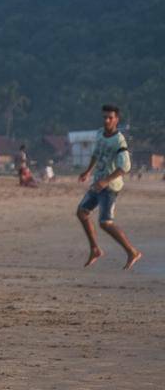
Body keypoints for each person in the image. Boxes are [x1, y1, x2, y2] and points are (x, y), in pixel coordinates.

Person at [75, 104, 141, 270]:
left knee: (105, 222)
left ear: (116, 120)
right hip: (97, 183)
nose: (106, 120)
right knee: (82, 212)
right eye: (104, 117)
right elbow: (96, 153)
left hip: (110, 186)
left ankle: (132, 251)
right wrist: (87, 171)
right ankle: (95, 249)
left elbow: (125, 167)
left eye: (110, 118)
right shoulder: (99, 134)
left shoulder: (119, 141)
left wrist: (105, 181)